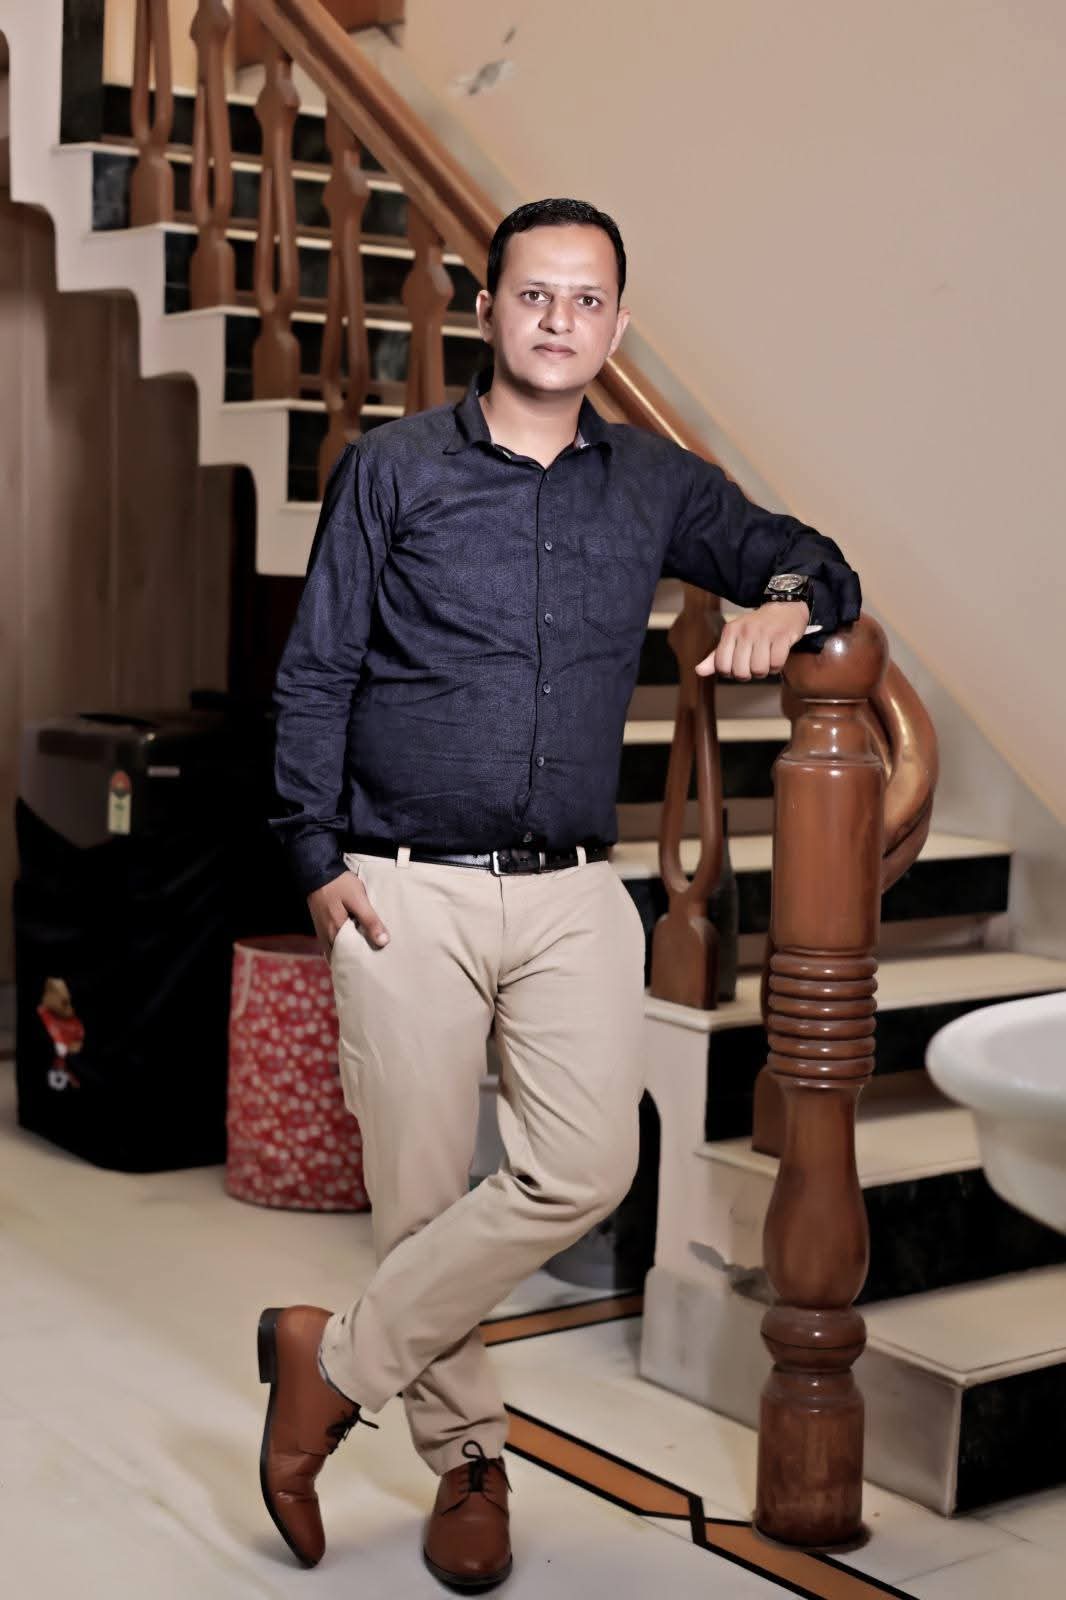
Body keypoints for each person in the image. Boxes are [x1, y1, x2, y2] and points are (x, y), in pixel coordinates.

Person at [259, 197, 862, 1587]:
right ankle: (469, 1464)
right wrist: (313, 856)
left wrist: (788, 601)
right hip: (400, 887)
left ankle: (325, 1365)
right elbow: (318, 667)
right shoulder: (393, 469)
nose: (558, 320)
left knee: (588, 1166)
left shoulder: (654, 482)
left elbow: (805, 554)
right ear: (487, 311)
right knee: (422, 1205)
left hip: (573, 892)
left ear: (616, 326)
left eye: (587, 300)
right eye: (534, 294)